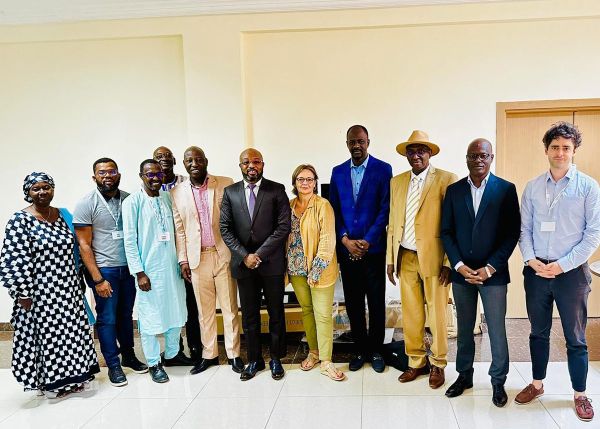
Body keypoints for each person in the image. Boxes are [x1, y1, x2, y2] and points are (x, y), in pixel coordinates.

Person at [515, 122, 600, 422]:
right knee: (538, 332)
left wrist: (562, 264)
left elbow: (593, 235)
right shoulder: (533, 187)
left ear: (574, 151)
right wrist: (530, 259)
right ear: (546, 150)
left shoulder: (588, 187)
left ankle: (580, 394)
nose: (560, 152)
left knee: (575, 336)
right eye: (555, 147)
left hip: (571, 274)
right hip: (537, 271)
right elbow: (523, 229)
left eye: (566, 147)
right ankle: (537, 384)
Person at [0, 172, 99, 398]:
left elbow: (77, 248)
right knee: (49, 338)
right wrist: (21, 293)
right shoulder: (20, 221)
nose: (42, 192)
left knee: (72, 334)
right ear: (28, 193)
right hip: (41, 293)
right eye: (36, 189)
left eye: (46, 187)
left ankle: (77, 378)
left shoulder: (63, 215)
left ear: (53, 189)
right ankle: (53, 384)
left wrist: (82, 279)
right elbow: (14, 259)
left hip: (69, 289)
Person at [441, 139, 520, 406]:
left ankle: (498, 382)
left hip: (493, 275)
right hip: (462, 274)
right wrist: (459, 265)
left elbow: (511, 234)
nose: (478, 160)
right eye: (473, 155)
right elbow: (447, 232)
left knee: (496, 329)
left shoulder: (505, 190)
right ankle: (464, 376)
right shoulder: (453, 191)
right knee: (464, 329)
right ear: (466, 158)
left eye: (483, 155)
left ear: (491, 157)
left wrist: (489, 268)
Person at [387, 130, 457, 389]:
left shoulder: (447, 180)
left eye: (421, 151)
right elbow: (393, 222)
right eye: (411, 151)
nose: (416, 155)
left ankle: (438, 363)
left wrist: (449, 262)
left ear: (429, 153)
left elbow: (454, 225)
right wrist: (390, 258)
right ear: (406, 154)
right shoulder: (397, 182)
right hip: (405, 255)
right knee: (411, 312)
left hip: (435, 258)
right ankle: (416, 361)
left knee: (436, 313)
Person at [74, 158, 147, 387]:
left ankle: (129, 355)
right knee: (107, 318)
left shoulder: (128, 199)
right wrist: (97, 279)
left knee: (126, 315)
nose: (107, 176)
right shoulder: (87, 203)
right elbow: (84, 245)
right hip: (105, 270)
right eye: (102, 172)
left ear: (119, 174)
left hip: (128, 268)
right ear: (94, 176)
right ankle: (113, 365)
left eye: (112, 171)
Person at [171, 146, 244, 375]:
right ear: (183, 164)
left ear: (206, 161)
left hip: (223, 254)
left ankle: (234, 354)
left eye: (198, 159)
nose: (194, 163)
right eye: (189, 160)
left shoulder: (225, 183)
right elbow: (180, 230)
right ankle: (209, 354)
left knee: (230, 307)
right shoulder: (176, 192)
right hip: (197, 259)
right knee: (205, 311)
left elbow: (236, 219)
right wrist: (183, 260)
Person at [220, 148, 291, 381]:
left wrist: (258, 254)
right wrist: (245, 255)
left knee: (276, 314)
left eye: (256, 161)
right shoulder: (230, 193)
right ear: (239, 165)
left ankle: (276, 359)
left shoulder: (276, 189)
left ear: (263, 164)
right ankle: (254, 360)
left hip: (271, 263)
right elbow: (225, 229)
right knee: (249, 315)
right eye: (246, 162)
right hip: (244, 265)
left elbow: (283, 227)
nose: (251, 165)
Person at [329, 124, 392, 373]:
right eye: (352, 142)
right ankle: (359, 349)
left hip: (373, 250)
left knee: (376, 302)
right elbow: (334, 209)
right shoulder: (338, 172)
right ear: (347, 144)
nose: (357, 145)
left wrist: (368, 240)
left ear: (368, 142)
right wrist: (344, 240)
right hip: (347, 250)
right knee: (353, 303)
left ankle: (376, 350)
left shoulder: (383, 169)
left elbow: (385, 209)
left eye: (361, 141)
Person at [122, 159, 190, 383]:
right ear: (141, 175)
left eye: (158, 174)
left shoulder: (166, 198)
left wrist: (181, 262)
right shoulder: (132, 202)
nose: (154, 178)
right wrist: (139, 272)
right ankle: (154, 362)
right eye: (149, 174)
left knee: (175, 312)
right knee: (150, 318)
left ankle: (172, 354)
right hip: (148, 272)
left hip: (171, 268)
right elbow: (130, 241)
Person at [287, 164, 344, 381]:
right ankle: (314, 352)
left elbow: (328, 239)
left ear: (315, 182)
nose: (305, 183)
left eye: (310, 179)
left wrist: (317, 269)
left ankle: (327, 361)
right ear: (294, 182)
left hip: (319, 270)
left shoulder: (323, 205)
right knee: (307, 311)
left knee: (322, 315)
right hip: (296, 269)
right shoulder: (290, 205)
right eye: (301, 179)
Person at [153, 146, 201, 361]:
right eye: (158, 157)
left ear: (174, 160)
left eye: (166, 156)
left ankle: (196, 347)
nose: (163, 160)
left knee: (191, 303)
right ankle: (175, 350)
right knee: (170, 303)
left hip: (189, 253)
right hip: (163, 256)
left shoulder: (186, 182)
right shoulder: (150, 187)